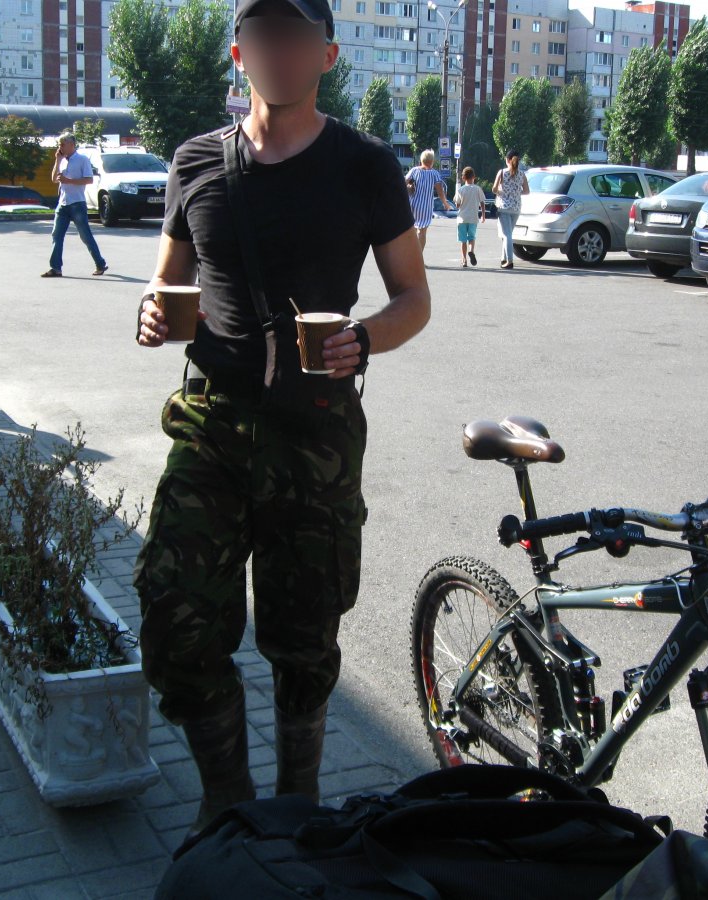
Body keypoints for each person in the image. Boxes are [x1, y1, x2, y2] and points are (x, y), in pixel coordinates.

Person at [133, 0, 429, 833]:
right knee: (175, 615)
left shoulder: (365, 165)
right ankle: (226, 803)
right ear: (240, 52)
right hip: (212, 423)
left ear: (326, 54)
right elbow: (166, 281)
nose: (280, 50)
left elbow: (414, 297)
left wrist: (364, 339)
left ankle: (298, 807)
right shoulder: (195, 161)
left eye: (296, 36)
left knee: (305, 636)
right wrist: (153, 313)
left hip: (315, 431)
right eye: (264, 35)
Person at [42, 132, 107, 277]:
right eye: (59, 145)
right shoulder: (62, 160)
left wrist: (69, 181)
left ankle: (100, 264)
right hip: (63, 203)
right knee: (57, 235)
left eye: (62, 144)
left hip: (77, 203)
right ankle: (56, 268)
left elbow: (89, 179)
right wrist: (57, 160)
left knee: (85, 236)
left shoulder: (82, 159)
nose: (60, 147)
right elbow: (54, 179)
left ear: (71, 144)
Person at [405, 149, 450, 252]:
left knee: (412, 230)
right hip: (425, 207)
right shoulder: (435, 174)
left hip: (412, 205)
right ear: (432, 161)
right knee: (422, 232)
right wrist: (445, 203)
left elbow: (403, 183)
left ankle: (411, 254)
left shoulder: (414, 170)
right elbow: (440, 191)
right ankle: (419, 256)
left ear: (421, 160)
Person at [492, 150, 528, 269]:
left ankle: (510, 261)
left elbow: (494, 189)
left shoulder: (502, 172)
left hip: (504, 207)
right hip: (516, 208)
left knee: (506, 234)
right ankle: (503, 258)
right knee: (508, 233)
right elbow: (527, 191)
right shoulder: (522, 174)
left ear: (507, 160)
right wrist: (516, 193)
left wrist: (501, 192)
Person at [453, 167, 486, 268]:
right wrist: (483, 215)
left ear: (463, 178)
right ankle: (471, 251)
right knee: (471, 238)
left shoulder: (460, 190)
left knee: (463, 240)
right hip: (473, 218)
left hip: (462, 218)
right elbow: (482, 202)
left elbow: (457, 205)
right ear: (474, 177)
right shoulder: (477, 189)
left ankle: (464, 260)